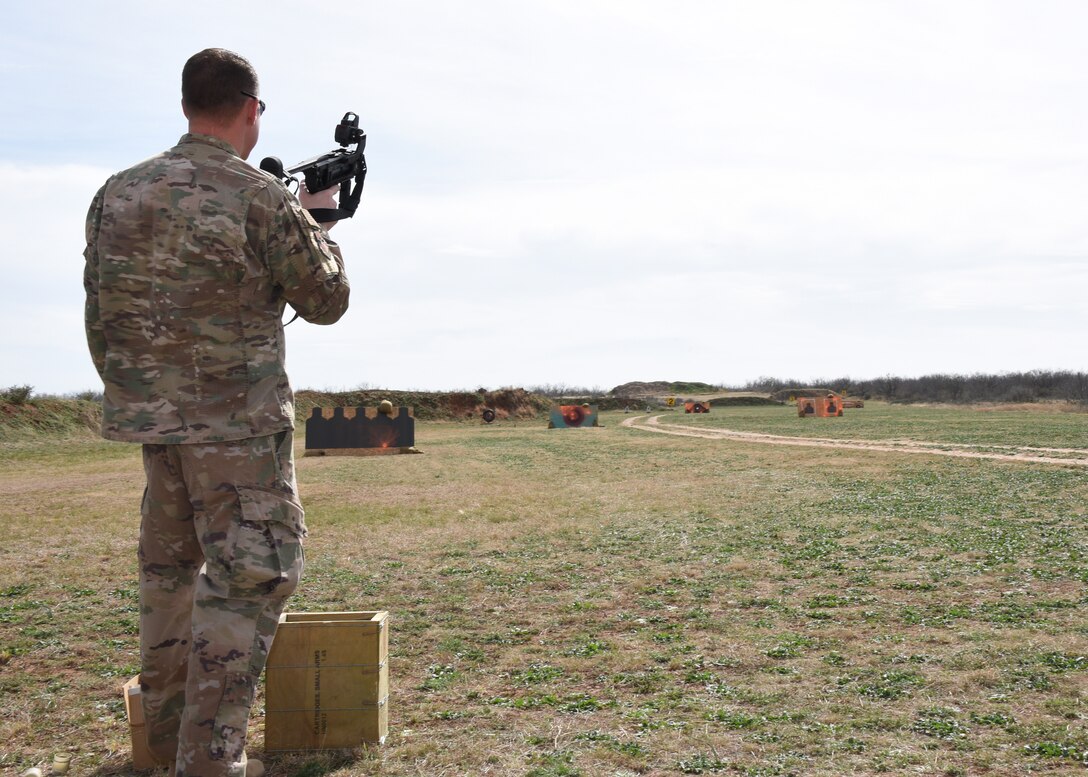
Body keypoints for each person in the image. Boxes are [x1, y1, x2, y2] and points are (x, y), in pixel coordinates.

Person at [83, 48, 351, 777]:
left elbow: (99, 319)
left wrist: (145, 400)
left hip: (156, 433)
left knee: (169, 587)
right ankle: (208, 763)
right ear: (250, 110)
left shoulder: (117, 193)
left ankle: (163, 753)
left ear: (186, 105)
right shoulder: (259, 198)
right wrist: (319, 219)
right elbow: (324, 301)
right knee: (250, 580)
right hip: (238, 434)